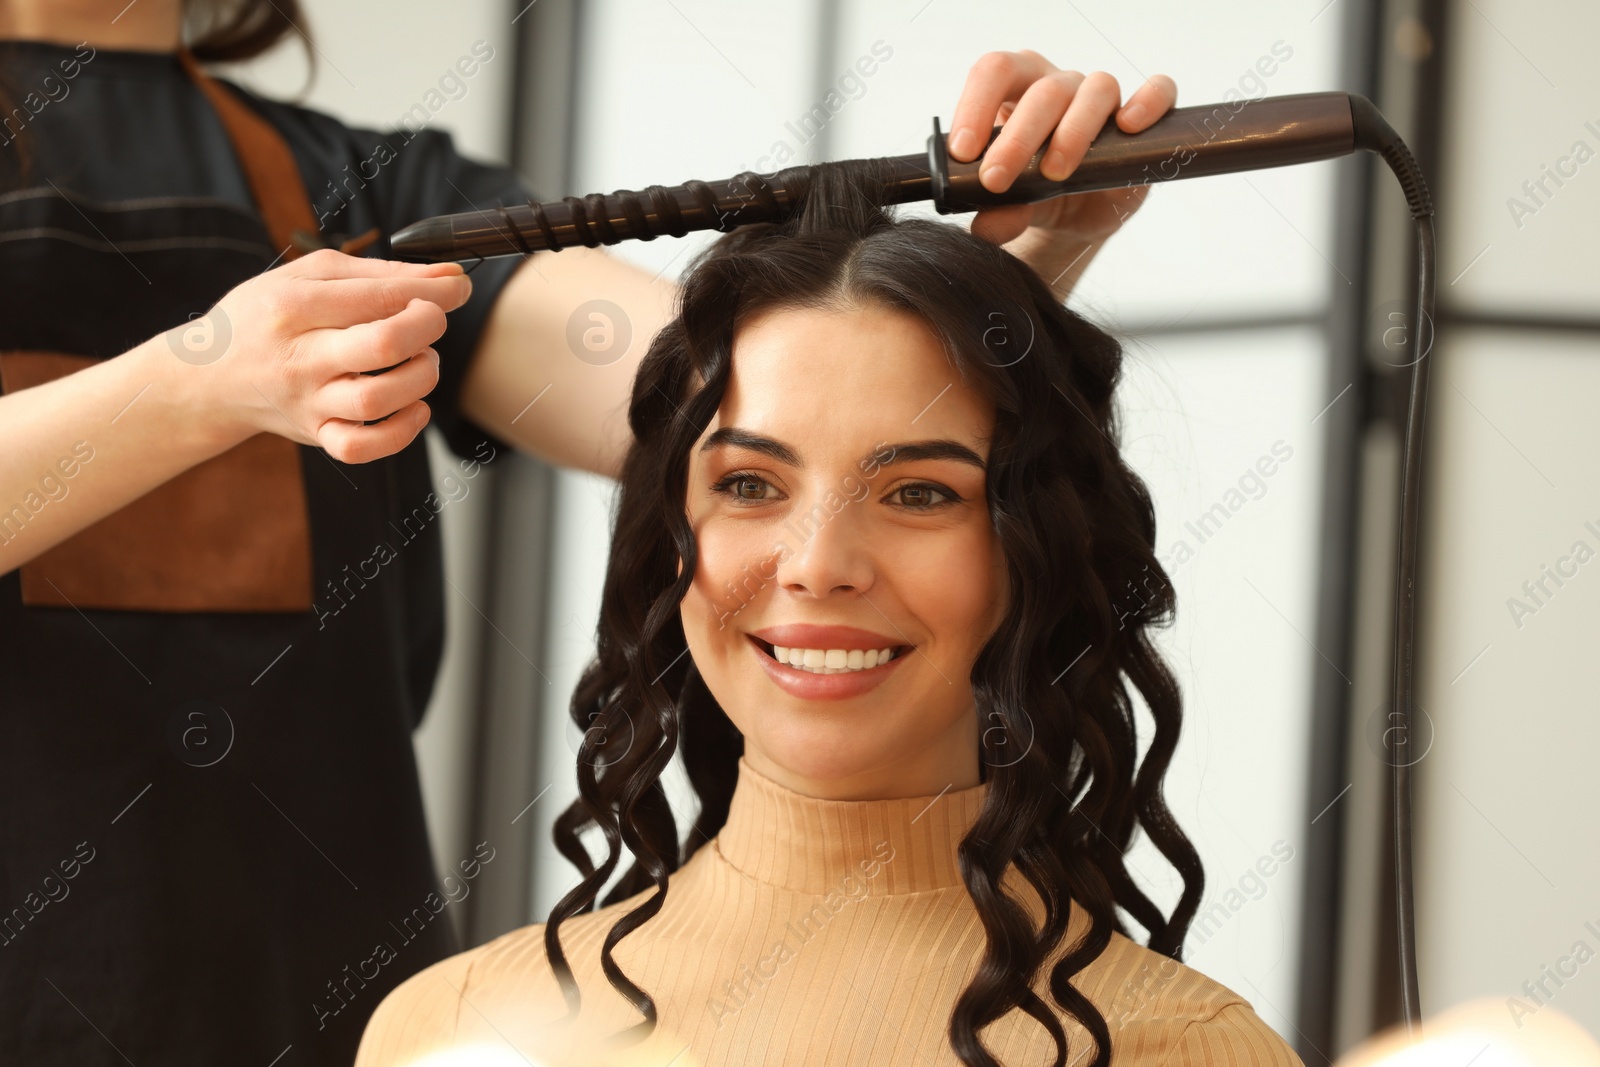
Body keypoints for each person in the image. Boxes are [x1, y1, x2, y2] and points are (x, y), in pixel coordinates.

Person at [0, 1, 1179, 1063]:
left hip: (325, 1004)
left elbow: (734, 415)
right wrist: (190, 386)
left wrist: (1003, 284)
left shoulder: (369, 196)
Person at [353, 159, 1304, 1067]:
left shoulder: (1181, 1046)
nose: (817, 566)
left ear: (1035, 551)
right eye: (751, 483)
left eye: (920, 493)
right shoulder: (454, 1029)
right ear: (666, 545)